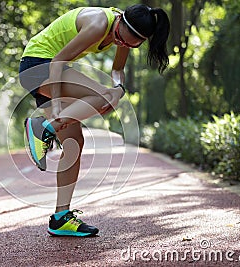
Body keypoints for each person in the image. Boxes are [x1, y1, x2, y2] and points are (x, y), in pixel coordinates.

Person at [19, 4, 170, 237]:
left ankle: (60, 218)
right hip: (39, 65)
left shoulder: (125, 33)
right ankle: (44, 126)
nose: (121, 44)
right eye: (120, 38)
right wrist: (58, 104)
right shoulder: (99, 23)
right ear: (119, 20)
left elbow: (117, 69)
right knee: (102, 98)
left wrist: (119, 88)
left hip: (52, 69)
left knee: (74, 143)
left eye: (131, 45)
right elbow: (58, 61)